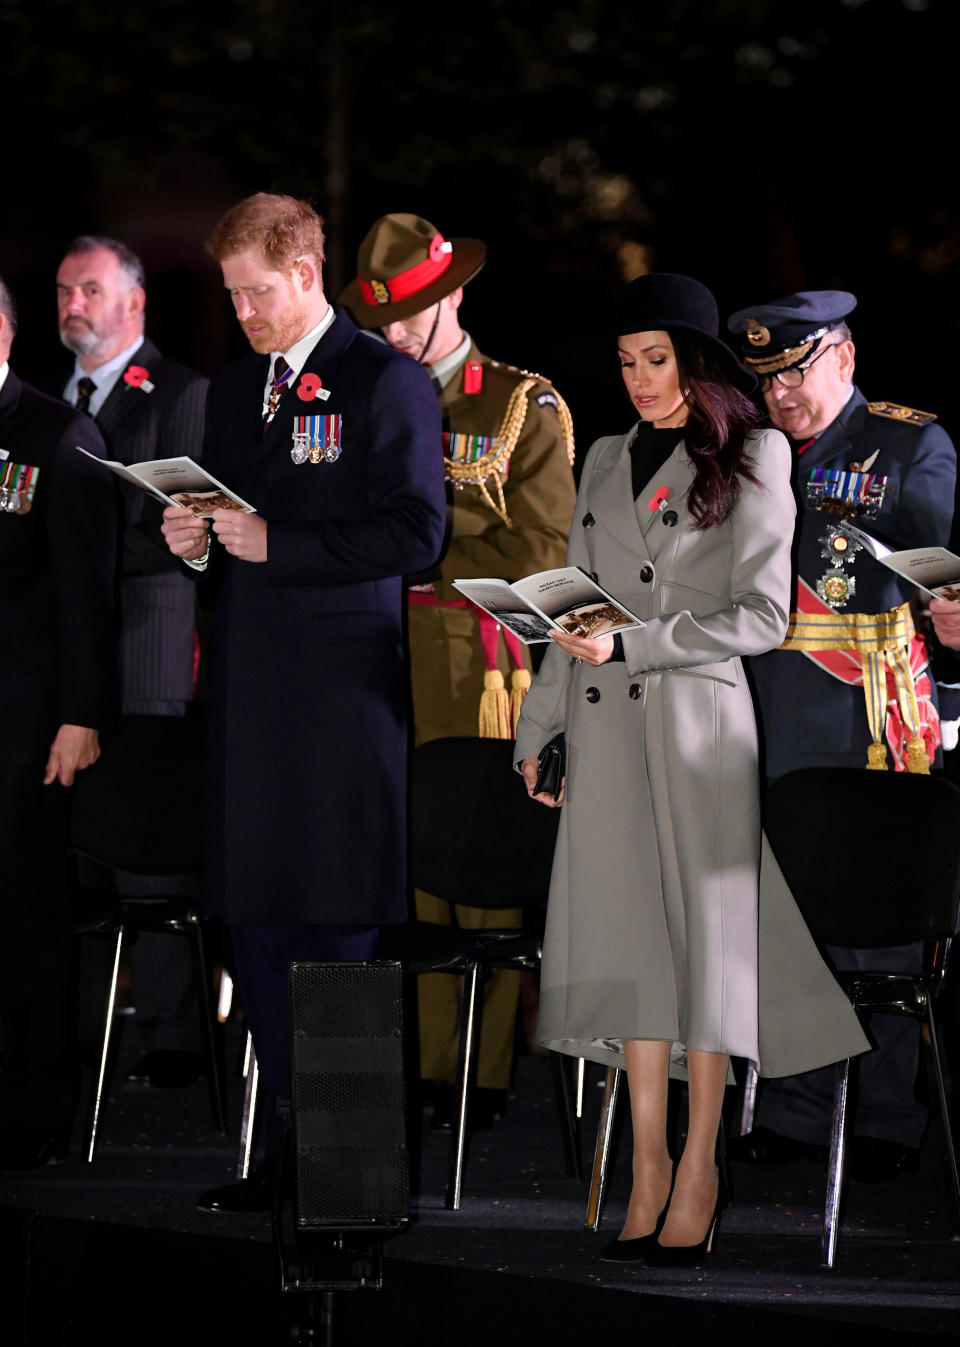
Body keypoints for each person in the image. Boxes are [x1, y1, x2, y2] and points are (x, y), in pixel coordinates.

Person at [516, 273, 868, 1263]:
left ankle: (702, 1166)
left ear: (699, 361)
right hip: (602, 729)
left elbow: (761, 617)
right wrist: (537, 734)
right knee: (631, 948)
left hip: (696, 728)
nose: (637, 378)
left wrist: (634, 643)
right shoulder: (601, 455)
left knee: (705, 956)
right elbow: (569, 609)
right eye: (625, 362)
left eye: (656, 359)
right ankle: (650, 1162)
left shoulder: (752, 453)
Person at [160, 193, 446, 1213]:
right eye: (231, 296)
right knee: (261, 934)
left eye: (256, 293)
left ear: (305, 273)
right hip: (248, 709)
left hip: (338, 710)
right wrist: (194, 547)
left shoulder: (386, 380)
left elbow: (418, 532)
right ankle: (286, 1156)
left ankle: (356, 1182)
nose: (241, 314)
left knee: (336, 939)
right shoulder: (237, 392)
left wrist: (281, 546)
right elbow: (230, 526)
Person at [338, 213, 577, 1126]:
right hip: (372, 652)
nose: (395, 333)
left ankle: (467, 1076)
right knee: (395, 868)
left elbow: (544, 546)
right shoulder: (361, 397)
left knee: (471, 869)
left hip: (472, 655)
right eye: (382, 317)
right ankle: (400, 1063)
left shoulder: (521, 403)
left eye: (413, 313)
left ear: (456, 296)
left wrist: (421, 548)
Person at [726, 291, 957, 1180]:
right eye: (766, 379)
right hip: (762, 698)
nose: (780, 395)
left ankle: (888, 1115)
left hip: (863, 702)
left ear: (845, 359)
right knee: (783, 913)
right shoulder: (751, 451)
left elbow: (926, 572)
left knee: (878, 917)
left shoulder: (908, 442)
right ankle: (793, 1104)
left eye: (796, 373)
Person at [56, 235, 210, 1092]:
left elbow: (186, 536)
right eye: (62, 290)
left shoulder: (181, 394)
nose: (72, 303)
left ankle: (172, 1033)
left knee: (151, 845)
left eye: (89, 289)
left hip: (150, 650)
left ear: (134, 303)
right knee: (78, 845)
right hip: (71, 655)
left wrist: (77, 553)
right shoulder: (47, 403)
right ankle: (82, 1026)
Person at [0, 275, 116, 1169]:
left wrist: (80, 714)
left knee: (28, 907)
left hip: (24, 718)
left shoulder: (55, 433)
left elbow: (86, 591)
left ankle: (37, 1100)